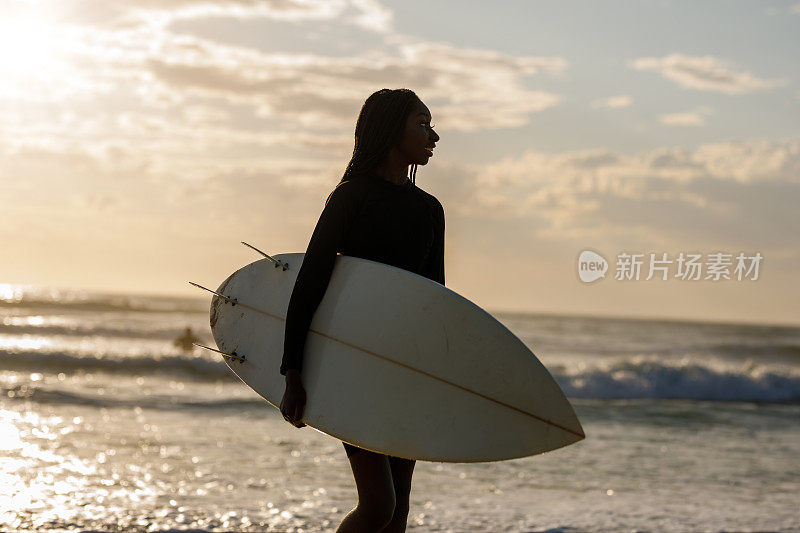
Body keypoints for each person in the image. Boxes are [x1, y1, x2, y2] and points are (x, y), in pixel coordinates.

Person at [278, 88, 443, 532]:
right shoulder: (351, 197)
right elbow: (310, 284)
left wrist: (440, 379)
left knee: (399, 512)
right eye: (422, 124)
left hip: (405, 369)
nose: (434, 135)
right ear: (392, 130)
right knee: (377, 507)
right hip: (353, 366)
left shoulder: (430, 210)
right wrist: (293, 373)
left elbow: (435, 302)